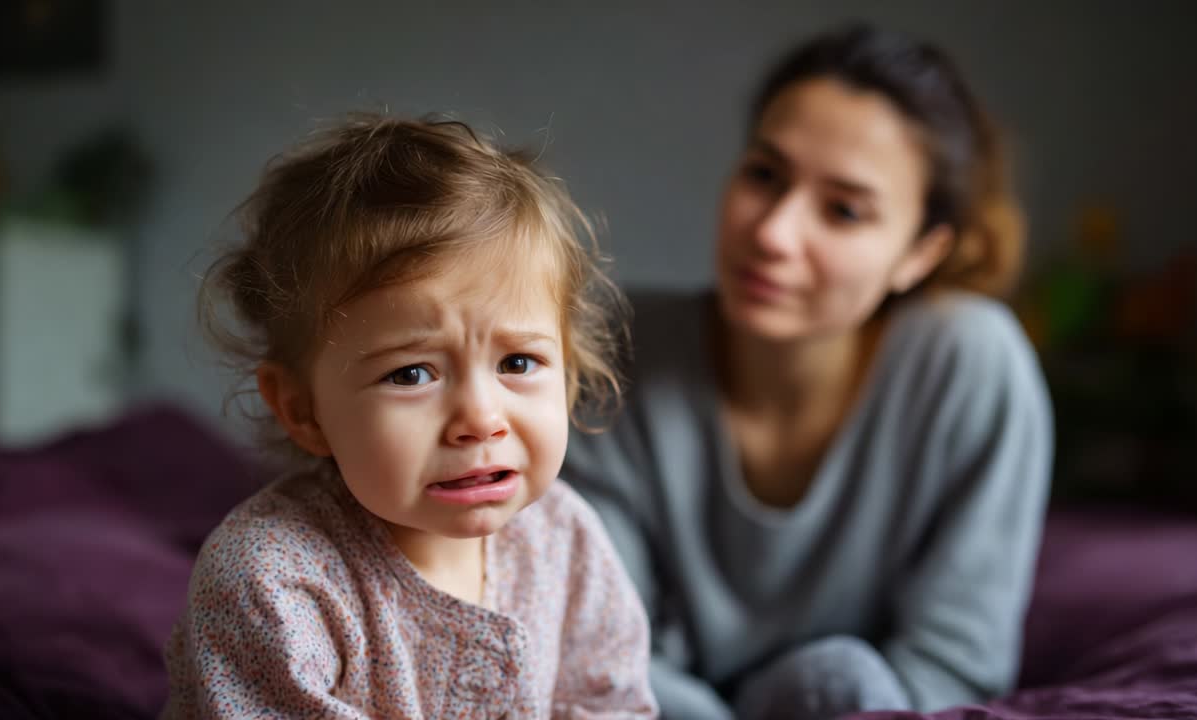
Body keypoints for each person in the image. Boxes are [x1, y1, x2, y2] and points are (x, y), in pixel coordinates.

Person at [563, 23, 1053, 720]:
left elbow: (954, 665)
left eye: (844, 210)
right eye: (764, 175)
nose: (773, 233)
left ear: (920, 253)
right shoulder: (608, 350)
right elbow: (597, 647)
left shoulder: (969, 364)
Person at [163, 114, 658, 719]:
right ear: (302, 409)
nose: (480, 418)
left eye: (519, 361)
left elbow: (611, 702)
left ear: (569, 373)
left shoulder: (565, 540)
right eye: (411, 374)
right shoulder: (269, 580)